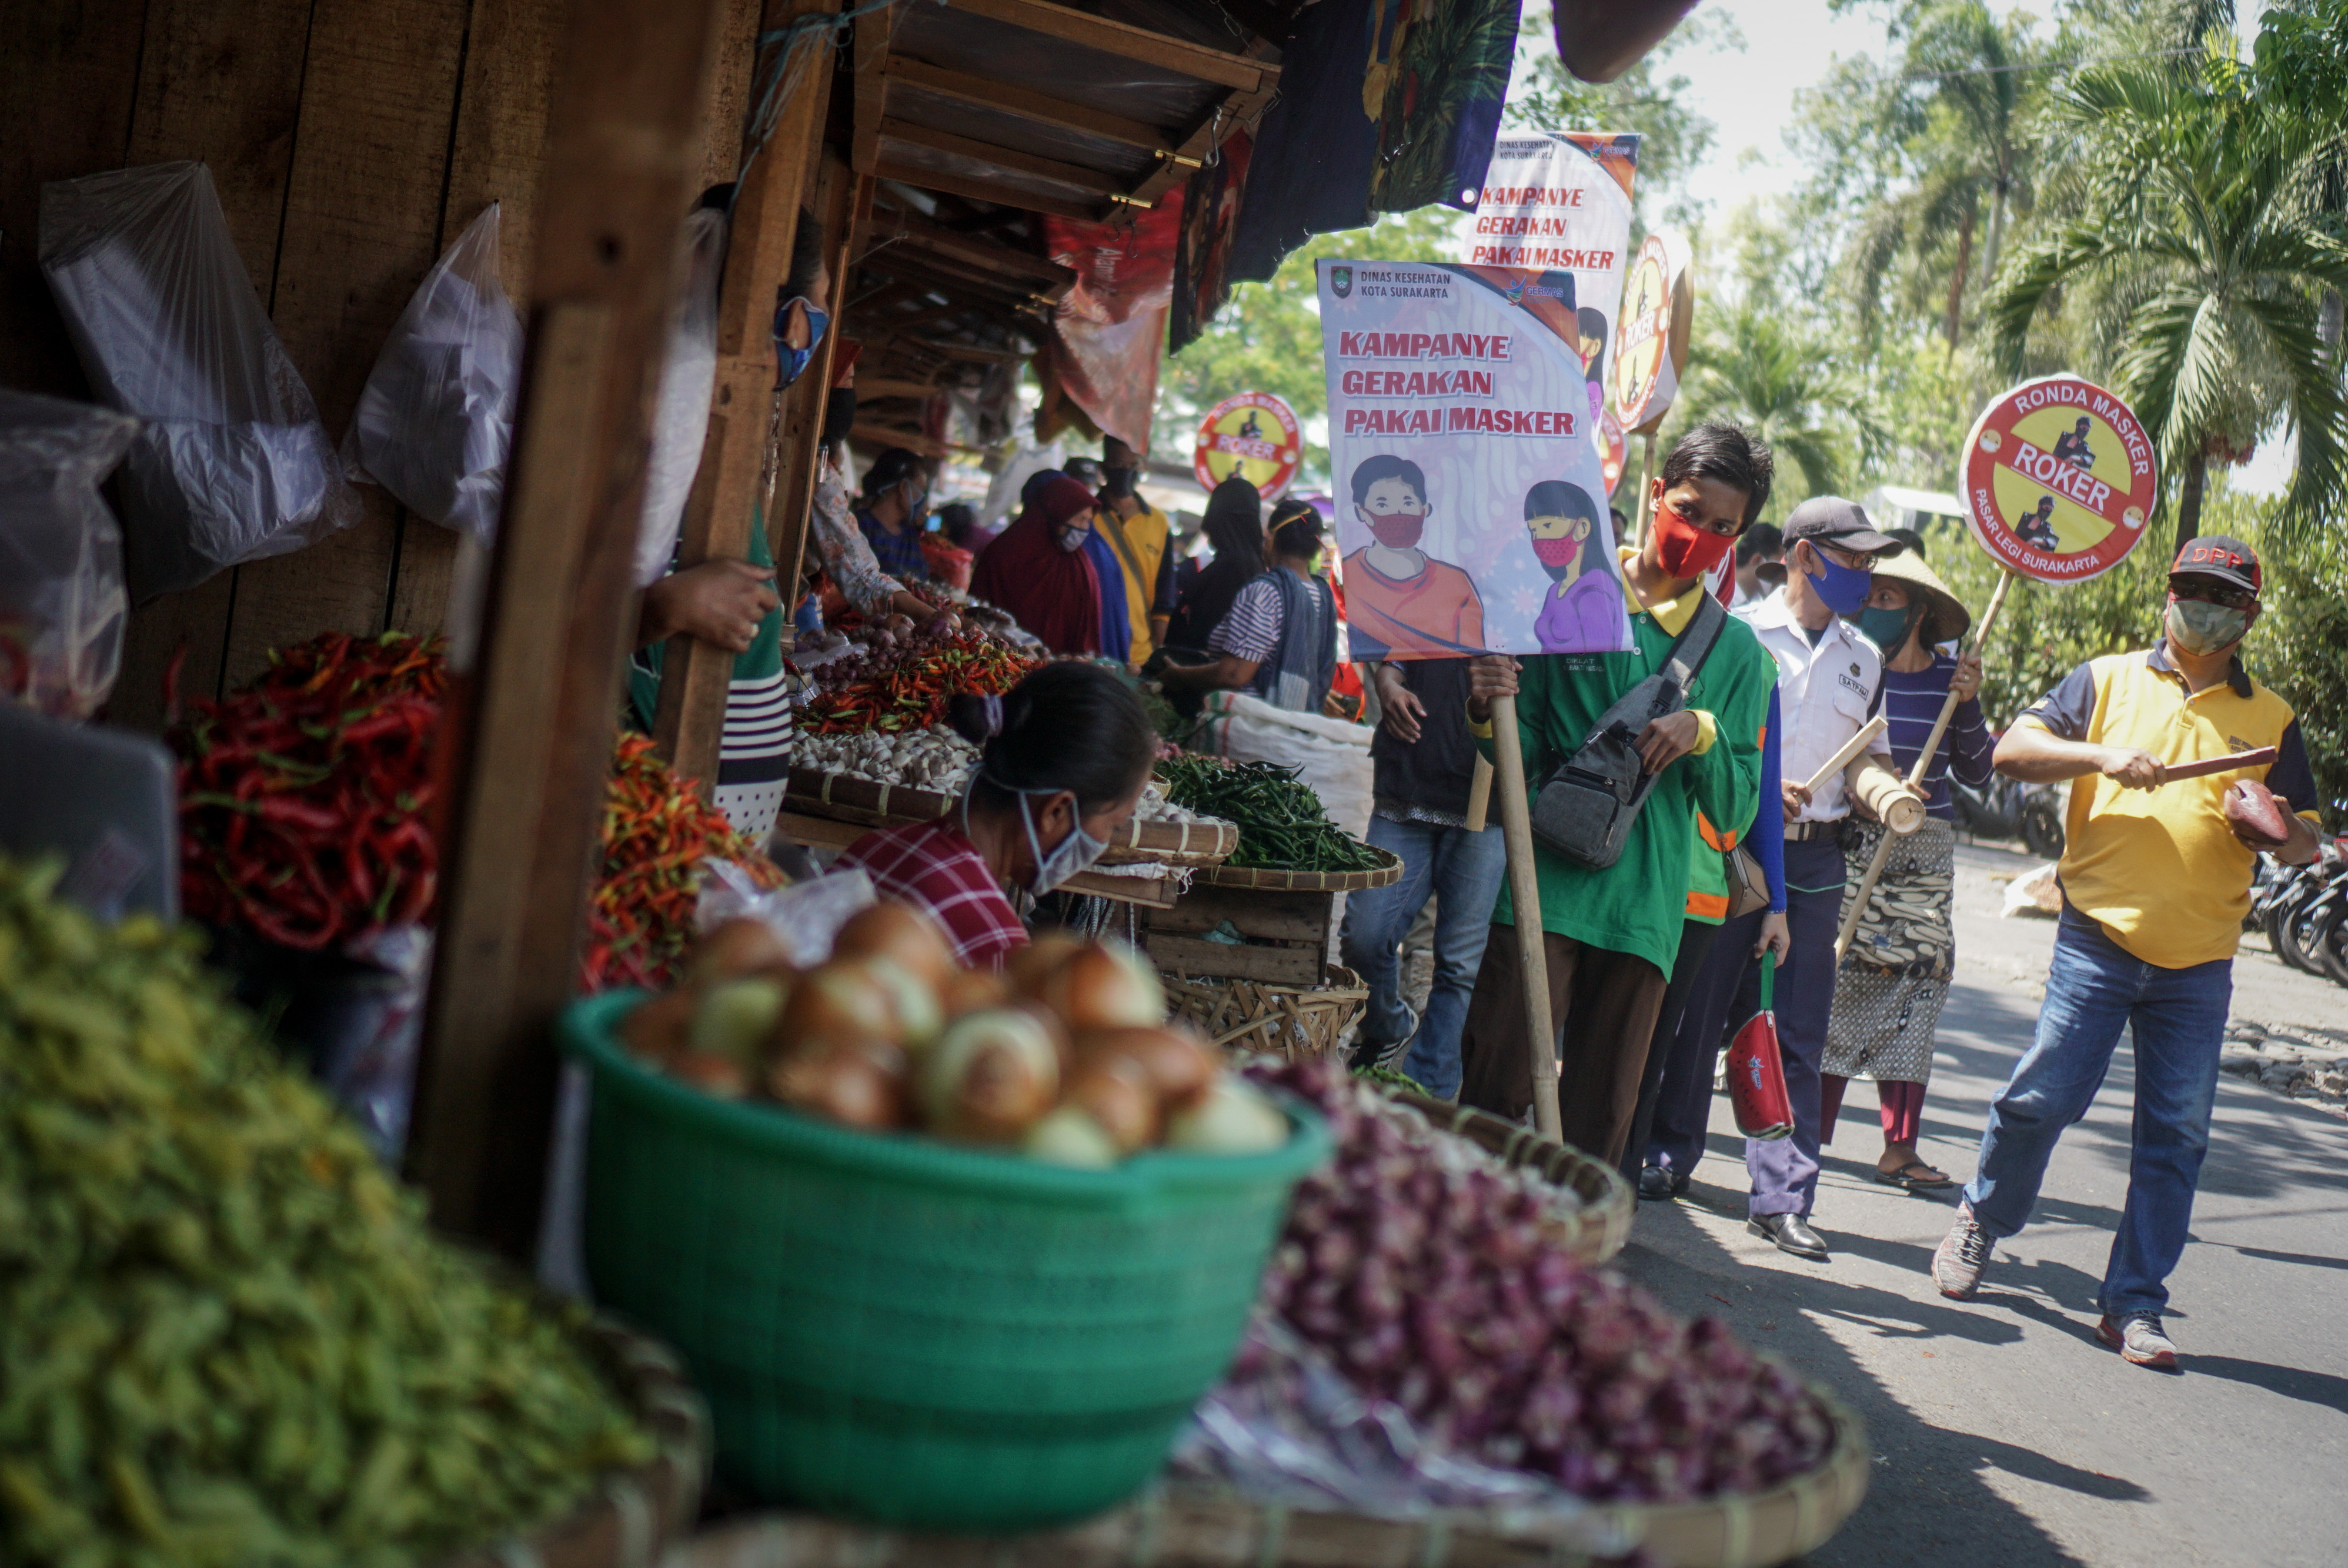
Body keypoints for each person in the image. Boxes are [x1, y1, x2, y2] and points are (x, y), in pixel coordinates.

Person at [1930, 536, 2323, 1370]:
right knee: (2041, 1097)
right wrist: (2103, 754)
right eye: (2189, 587)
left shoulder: (2271, 718)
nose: (2200, 603)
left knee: (2175, 1137)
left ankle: (2135, 1301)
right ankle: (1981, 1216)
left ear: (2247, 616)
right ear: (2168, 593)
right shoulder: (2104, 678)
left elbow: (2308, 839)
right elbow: (2009, 752)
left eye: (2219, 595)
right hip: (2097, 939)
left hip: (2201, 959)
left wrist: (2282, 827)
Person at [1455, 422, 1780, 1163]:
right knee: (1493, 1094)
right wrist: (1485, 708)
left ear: (1738, 538)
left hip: (1647, 910)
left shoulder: (1738, 656)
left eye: (1721, 528)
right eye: (1690, 511)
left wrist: (1700, 732)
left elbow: (1735, 812)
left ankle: (1564, 1267)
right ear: (1657, 493)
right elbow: (1522, 755)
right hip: (1544, 891)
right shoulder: (1562, 600)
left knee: (1600, 1120)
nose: (1697, 534)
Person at [630, 202, 833, 841]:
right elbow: (548, 619)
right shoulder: (659, 422)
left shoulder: (708, 424)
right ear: (795, 319)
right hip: (648, 805)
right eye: (821, 303)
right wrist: (662, 611)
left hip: (698, 821)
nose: (819, 325)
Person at [1816, 551, 1992, 1191]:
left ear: (1920, 612)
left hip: (1928, 852)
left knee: (1922, 988)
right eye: (1869, 598)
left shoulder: (1953, 680)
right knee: (1841, 978)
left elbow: (1979, 772)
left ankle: (1900, 1146)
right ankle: (1813, 1128)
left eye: (1888, 600)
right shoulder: (1855, 673)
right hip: (1859, 842)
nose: (1872, 610)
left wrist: (1968, 705)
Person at [837, 663, 1159, 968]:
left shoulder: (870, 850)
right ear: (1056, 812)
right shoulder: (993, 945)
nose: (1104, 842)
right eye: (1114, 826)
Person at [1624, 683, 1787, 1190]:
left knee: (1679, 1038)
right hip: (1625, 876)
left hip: (1703, 892)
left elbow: (1761, 790)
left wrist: (1776, 903)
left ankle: (1647, 1164)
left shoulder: (1753, 663)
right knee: (1615, 1036)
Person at [1338, 655, 1509, 1096]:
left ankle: (1426, 1096)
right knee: (1365, 933)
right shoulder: (1431, 584)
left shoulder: (1535, 597)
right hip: (1407, 785)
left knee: (1458, 966)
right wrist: (1388, 685)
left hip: (1489, 804)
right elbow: (1391, 655)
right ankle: (1388, 1024)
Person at [1157, 503, 1337, 714]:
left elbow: (1234, 675)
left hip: (1250, 723)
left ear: (1271, 539)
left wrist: (1179, 675)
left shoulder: (1265, 591)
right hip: (1294, 727)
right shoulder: (1322, 597)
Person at [1339, 455, 1486, 657]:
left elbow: (1475, 656)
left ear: (1425, 510)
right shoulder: (1348, 575)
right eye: (1383, 505)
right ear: (1361, 512)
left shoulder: (1455, 583)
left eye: (1408, 503)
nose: (1398, 512)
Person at [968, 474, 1107, 656]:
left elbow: (1086, 635)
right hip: (997, 660)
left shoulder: (1080, 566)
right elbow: (977, 611)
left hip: (1056, 670)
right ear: (1058, 512)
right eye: (1080, 519)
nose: (1084, 528)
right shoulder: (1005, 552)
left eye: (1088, 521)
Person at [1094, 437, 1179, 664]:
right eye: (1118, 463)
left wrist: (1157, 653)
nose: (1126, 471)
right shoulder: (1088, 514)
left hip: (1140, 653)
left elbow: (1165, 590)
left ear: (1144, 466)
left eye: (1134, 465)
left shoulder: (1158, 522)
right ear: (1103, 467)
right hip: (1093, 645)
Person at [1525, 479, 1625, 652]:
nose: (1538, 537)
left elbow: (1597, 667)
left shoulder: (1597, 590)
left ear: (1583, 528)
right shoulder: (1555, 589)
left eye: (1547, 525)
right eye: (1533, 530)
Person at [854, 447, 933, 583]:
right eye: (921, 491)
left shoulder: (910, 535)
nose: (924, 503)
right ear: (903, 488)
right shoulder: (858, 526)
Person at [1732, 522, 1783, 609]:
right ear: (1757, 560)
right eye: (1778, 568)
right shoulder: (1721, 596)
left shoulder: (1758, 605)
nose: (1782, 577)